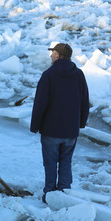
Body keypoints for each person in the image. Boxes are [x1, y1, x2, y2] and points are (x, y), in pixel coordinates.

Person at [30, 43, 89, 203]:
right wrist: (81, 122)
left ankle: (49, 193)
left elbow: (40, 102)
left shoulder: (48, 75)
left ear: (58, 55)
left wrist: (35, 125)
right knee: (66, 161)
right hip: (70, 130)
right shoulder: (79, 75)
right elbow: (84, 101)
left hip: (51, 129)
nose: (50, 56)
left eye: (52, 53)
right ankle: (64, 194)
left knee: (50, 163)